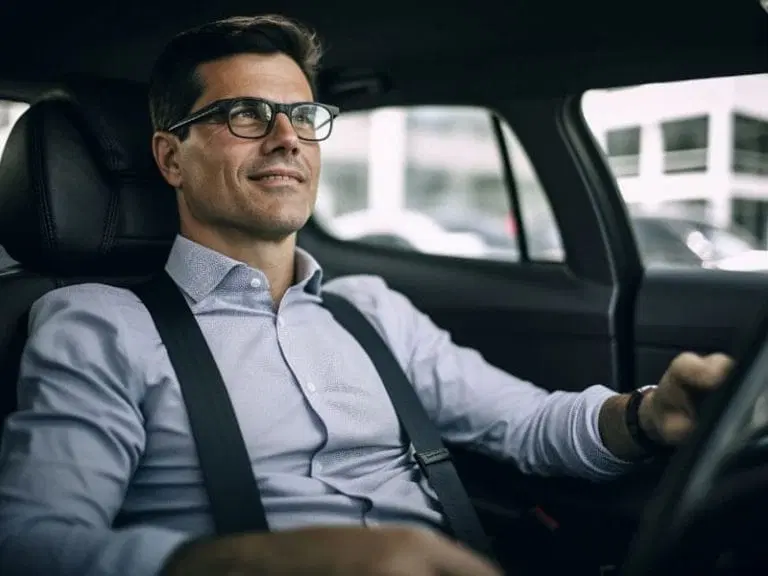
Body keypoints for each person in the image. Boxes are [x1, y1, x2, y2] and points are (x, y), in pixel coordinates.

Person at [0, 14, 733, 576]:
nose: (287, 138)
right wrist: (257, 563)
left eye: (303, 117)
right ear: (170, 158)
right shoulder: (99, 325)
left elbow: (527, 423)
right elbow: (33, 543)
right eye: (246, 115)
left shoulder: (370, 310)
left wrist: (646, 413)